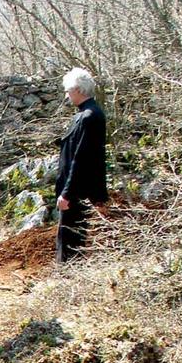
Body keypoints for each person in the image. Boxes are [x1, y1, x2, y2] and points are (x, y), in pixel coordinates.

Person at [54, 67, 108, 262]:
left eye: (68, 91)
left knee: (70, 242)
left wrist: (67, 193)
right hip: (77, 191)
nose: (67, 95)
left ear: (77, 90)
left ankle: (65, 282)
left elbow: (82, 159)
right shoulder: (87, 114)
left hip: (77, 193)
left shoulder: (90, 117)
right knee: (68, 240)